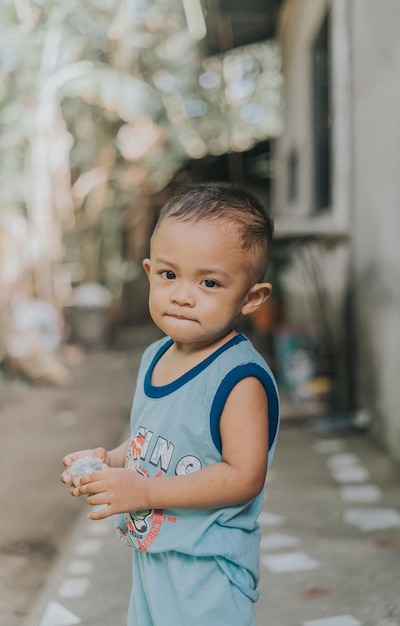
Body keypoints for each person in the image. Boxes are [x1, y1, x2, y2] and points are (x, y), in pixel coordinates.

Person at [61, 182, 280, 626]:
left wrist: (144, 491)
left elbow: (243, 477)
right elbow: (153, 441)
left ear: (251, 298)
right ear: (148, 272)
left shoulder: (239, 380)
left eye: (210, 282)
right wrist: (110, 461)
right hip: (154, 555)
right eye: (168, 275)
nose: (183, 294)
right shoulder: (155, 356)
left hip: (207, 567)